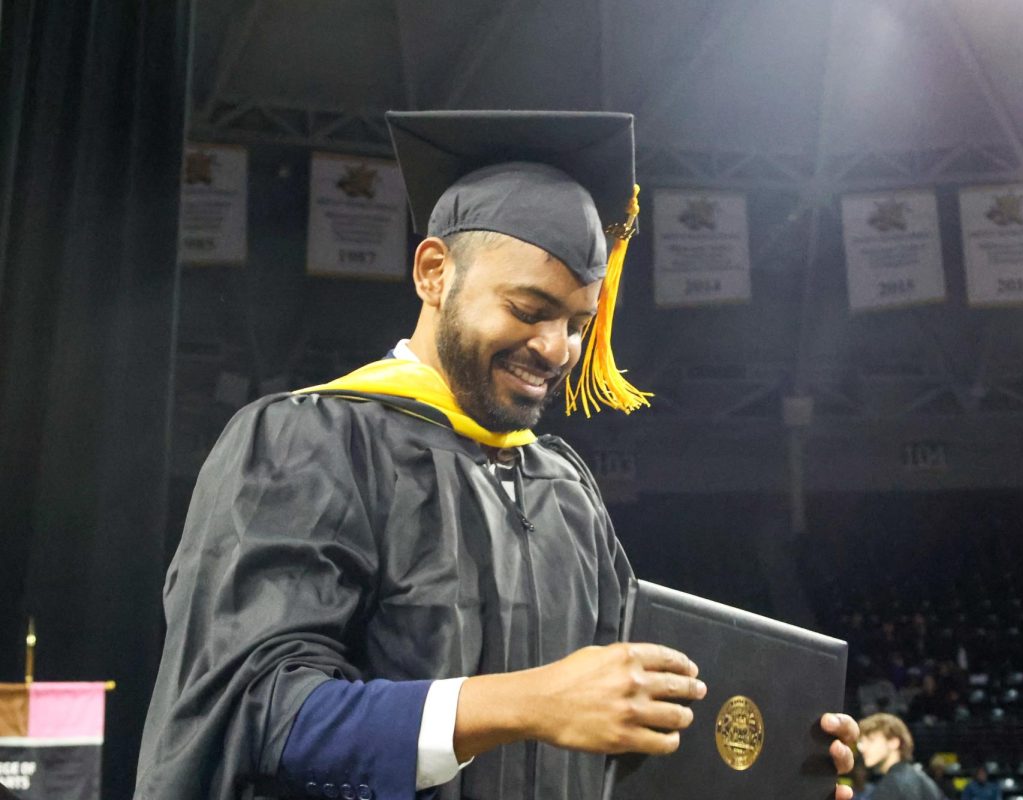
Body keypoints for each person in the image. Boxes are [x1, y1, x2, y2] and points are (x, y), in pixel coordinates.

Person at [134, 111, 860, 800]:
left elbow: (619, 733)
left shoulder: (563, 488)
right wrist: (522, 704)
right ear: (432, 272)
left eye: (578, 322)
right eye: (529, 309)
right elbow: (252, 715)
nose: (558, 349)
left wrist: (765, 764)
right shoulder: (307, 443)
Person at [857, 713, 942, 800]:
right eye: (861, 741)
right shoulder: (922, 779)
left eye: (871, 740)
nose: (861, 748)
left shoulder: (891, 786)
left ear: (894, 742)